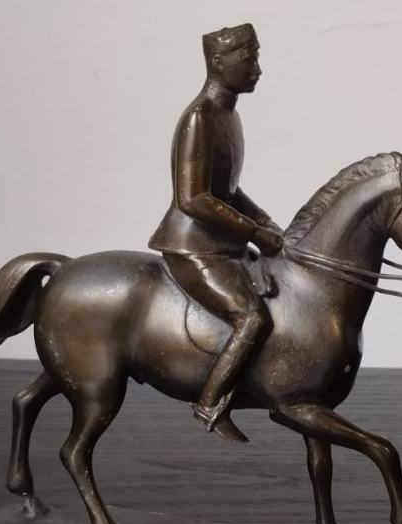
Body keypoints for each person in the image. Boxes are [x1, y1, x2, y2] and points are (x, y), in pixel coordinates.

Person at [148, 23, 283, 442]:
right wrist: (254, 232)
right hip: (192, 245)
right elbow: (193, 199)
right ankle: (210, 402)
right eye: (249, 59)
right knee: (251, 318)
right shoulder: (199, 118)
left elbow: (229, 191)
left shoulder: (229, 117)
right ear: (219, 63)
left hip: (221, 244)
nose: (258, 69)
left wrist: (266, 222)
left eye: (256, 58)